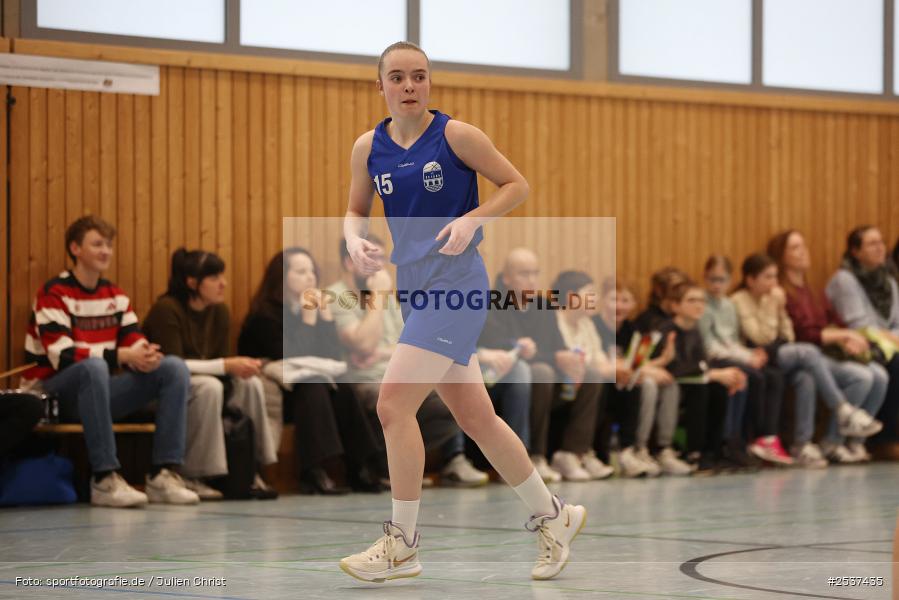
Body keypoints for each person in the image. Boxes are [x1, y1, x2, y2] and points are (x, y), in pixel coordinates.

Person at [339, 42, 585, 583]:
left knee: (391, 407)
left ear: (428, 83)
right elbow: (356, 211)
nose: (409, 85)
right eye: (398, 77)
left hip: (458, 285)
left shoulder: (456, 135)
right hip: (414, 289)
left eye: (419, 76)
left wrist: (473, 219)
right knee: (477, 419)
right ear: (379, 85)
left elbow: (516, 185)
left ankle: (402, 544)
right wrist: (353, 240)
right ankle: (554, 515)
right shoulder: (368, 147)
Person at [20, 215, 197, 507]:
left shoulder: (115, 295)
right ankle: (104, 478)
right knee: (93, 367)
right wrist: (122, 356)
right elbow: (61, 355)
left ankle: (163, 474)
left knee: (173, 368)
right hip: (53, 395)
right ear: (75, 249)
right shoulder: (53, 293)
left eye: (109, 245)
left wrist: (144, 354)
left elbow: (132, 339)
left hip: (96, 392)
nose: (106, 251)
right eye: (97, 244)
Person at [326, 236, 487, 487]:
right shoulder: (336, 295)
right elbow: (363, 343)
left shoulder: (391, 298)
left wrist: (383, 353)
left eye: (381, 258)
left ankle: (391, 464)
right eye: (372, 258)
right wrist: (378, 296)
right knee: (399, 402)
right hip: (363, 380)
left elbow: (413, 343)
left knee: (453, 407)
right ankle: (383, 465)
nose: (380, 266)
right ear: (350, 261)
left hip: (397, 372)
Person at [239, 248, 387, 494]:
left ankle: (360, 466)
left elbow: (331, 356)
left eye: (312, 272)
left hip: (310, 391)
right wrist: (310, 317)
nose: (310, 278)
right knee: (314, 385)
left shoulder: (312, 309)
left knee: (343, 389)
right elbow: (292, 358)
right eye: (301, 271)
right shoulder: (264, 315)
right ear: (282, 276)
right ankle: (313, 470)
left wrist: (326, 315)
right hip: (278, 392)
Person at [143, 248, 279, 500]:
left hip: (208, 381)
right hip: (166, 389)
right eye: (215, 278)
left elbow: (221, 362)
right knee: (208, 387)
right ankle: (194, 474)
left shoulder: (220, 312)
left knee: (251, 384)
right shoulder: (167, 309)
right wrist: (225, 366)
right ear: (192, 282)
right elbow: (173, 366)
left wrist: (236, 368)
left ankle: (251, 469)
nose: (223, 283)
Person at [732, 253, 882, 468]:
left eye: (775, 277)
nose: (774, 283)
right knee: (809, 352)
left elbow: (788, 335)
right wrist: (775, 315)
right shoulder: (740, 300)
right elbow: (758, 337)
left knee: (806, 377)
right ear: (750, 280)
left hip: (776, 353)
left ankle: (801, 444)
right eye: (768, 277)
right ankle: (842, 410)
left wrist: (777, 312)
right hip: (757, 357)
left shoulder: (772, 298)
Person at [769, 230, 888, 463]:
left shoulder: (813, 290)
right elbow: (802, 334)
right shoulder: (782, 292)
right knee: (860, 377)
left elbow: (834, 320)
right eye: (794, 248)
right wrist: (841, 334)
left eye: (803, 245)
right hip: (805, 354)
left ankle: (853, 442)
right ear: (781, 256)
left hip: (824, 354)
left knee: (879, 375)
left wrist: (850, 339)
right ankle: (833, 437)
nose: (803, 252)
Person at [699, 256, 792, 466]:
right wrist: (746, 357)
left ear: (730, 280)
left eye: (721, 280)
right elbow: (710, 346)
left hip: (732, 354)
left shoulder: (728, 305)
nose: (716, 285)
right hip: (713, 359)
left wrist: (749, 355)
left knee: (771, 375)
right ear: (705, 278)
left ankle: (754, 439)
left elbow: (733, 340)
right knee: (751, 376)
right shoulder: (702, 304)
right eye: (712, 279)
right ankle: (734, 441)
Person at [476, 248, 560, 482]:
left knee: (544, 371)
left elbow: (553, 349)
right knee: (533, 371)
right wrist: (518, 348)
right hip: (494, 372)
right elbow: (491, 341)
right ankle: (517, 460)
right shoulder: (492, 303)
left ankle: (544, 456)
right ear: (506, 278)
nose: (531, 280)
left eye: (535, 273)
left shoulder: (544, 306)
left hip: (530, 369)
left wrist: (568, 360)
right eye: (524, 274)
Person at [594, 278, 692, 476]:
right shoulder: (595, 325)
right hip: (604, 384)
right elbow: (608, 363)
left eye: (625, 300)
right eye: (614, 299)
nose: (619, 306)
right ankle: (631, 448)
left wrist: (663, 360)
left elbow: (636, 363)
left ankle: (656, 450)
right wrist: (648, 370)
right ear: (603, 300)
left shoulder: (632, 330)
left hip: (625, 383)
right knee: (645, 382)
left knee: (667, 383)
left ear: (633, 305)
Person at [656, 281, 748, 473]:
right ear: (675, 306)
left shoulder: (695, 330)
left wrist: (722, 374)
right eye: (691, 300)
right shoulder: (666, 330)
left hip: (692, 382)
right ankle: (694, 452)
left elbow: (703, 362)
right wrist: (713, 373)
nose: (699, 305)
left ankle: (716, 450)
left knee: (720, 386)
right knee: (703, 387)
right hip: (670, 386)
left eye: (701, 301)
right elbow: (675, 368)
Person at [826, 226, 899, 444]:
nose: (880, 248)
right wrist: (891, 338)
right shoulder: (845, 279)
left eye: (881, 243)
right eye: (872, 244)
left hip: (886, 343)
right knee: (895, 365)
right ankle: (884, 439)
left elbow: (897, 322)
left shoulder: (890, 281)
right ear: (856, 251)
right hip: (855, 345)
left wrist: (892, 337)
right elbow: (858, 325)